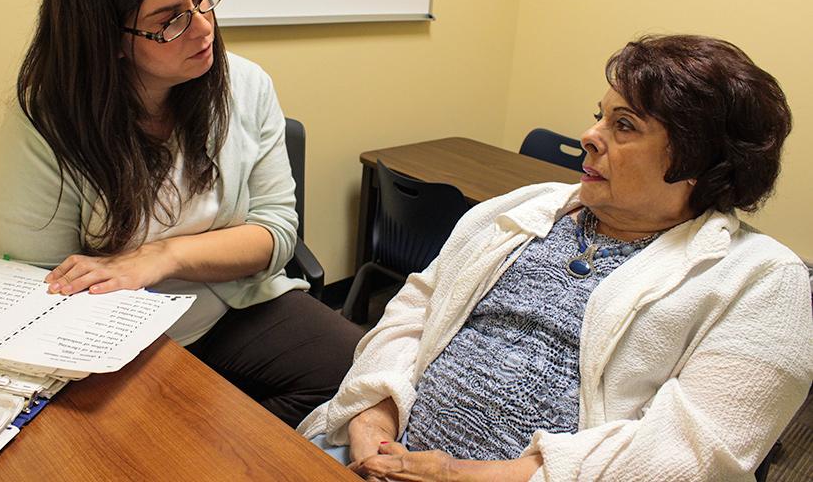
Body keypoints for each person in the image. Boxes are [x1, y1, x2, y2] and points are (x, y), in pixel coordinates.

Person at [299, 35, 813, 480]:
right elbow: (419, 305)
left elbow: (690, 456)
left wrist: (461, 475)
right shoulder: (527, 207)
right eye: (600, 117)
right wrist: (374, 417)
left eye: (625, 125)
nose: (590, 136)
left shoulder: (764, 281)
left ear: (699, 161)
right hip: (376, 457)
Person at [0, 0, 362, 428]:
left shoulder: (246, 86)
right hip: (119, 332)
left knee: (365, 376)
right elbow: (46, 284)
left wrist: (163, 256)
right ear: (107, 39)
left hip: (239, 303)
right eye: (170, 21)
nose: (204, 27)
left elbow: (276, 235)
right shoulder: (47, 122)